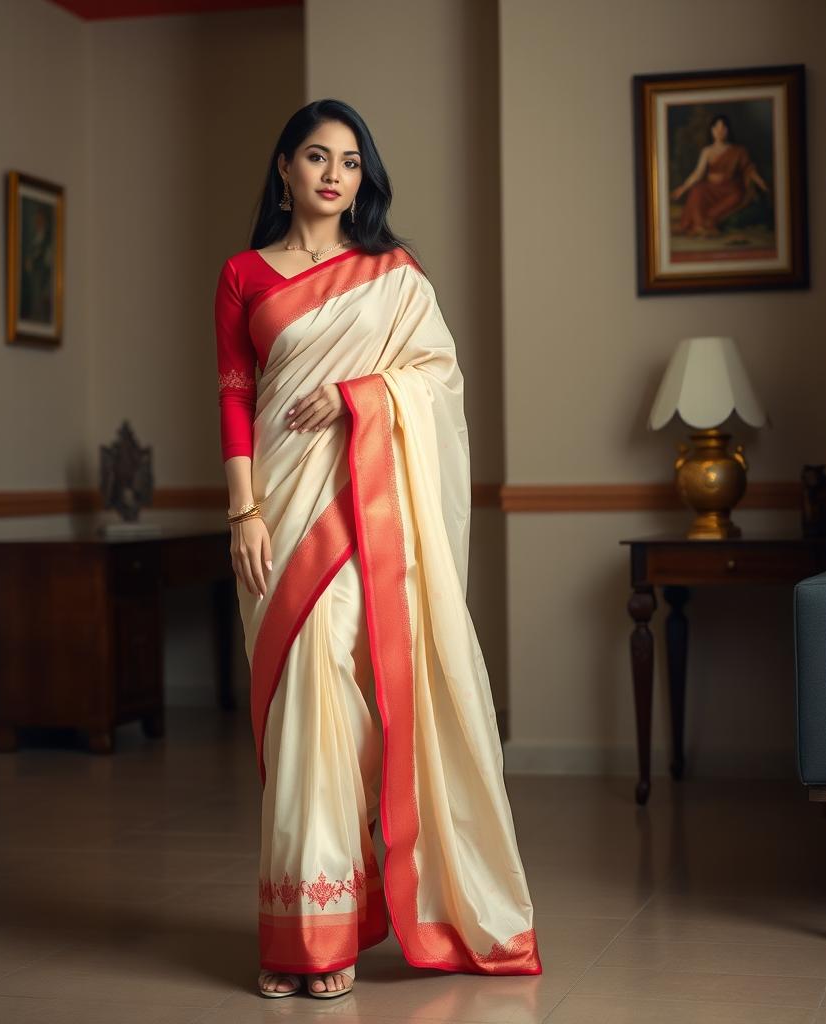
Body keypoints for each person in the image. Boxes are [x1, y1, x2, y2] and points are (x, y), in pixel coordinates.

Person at [213, 98, 541, 1001]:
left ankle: (338, 926)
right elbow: (235, 398)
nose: (333, 175)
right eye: (316, 157)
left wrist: (360, 394)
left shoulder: (393, 275)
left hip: (363, 515)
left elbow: (437, 376)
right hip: (277, 513)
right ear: (284, 168)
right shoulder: (244, 275)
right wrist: (244, 514)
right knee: (297, 718)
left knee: (335, 684)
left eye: (350, 162)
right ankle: (304, 929)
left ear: (364, 177)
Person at [671, 113, 769, 238]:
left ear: (728, 130)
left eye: (723, 128)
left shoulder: (739, 151)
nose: (720, 131)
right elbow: (697, 174)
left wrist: (762, 183)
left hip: (730, 190)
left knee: (737, 195)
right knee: (697, 190)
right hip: (711, 189)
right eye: (716, 128)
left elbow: (749, 170)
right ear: (712, 131)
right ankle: (700, 226)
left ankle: (706, 223)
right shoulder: (707, 151)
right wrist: (682, 189)